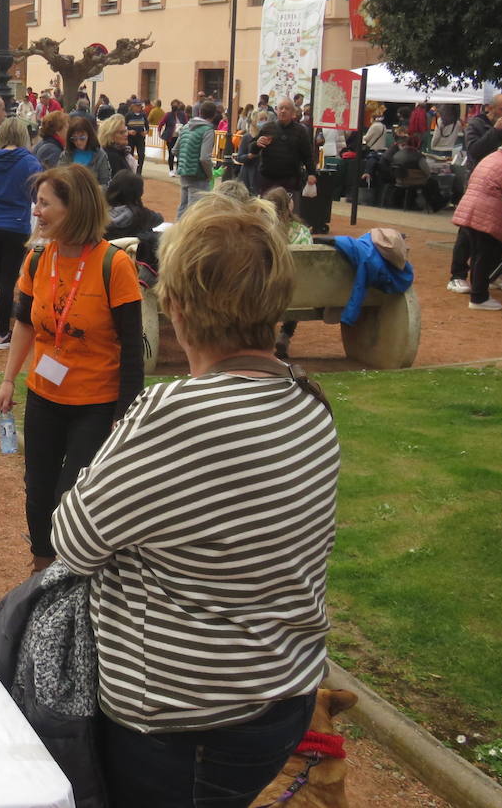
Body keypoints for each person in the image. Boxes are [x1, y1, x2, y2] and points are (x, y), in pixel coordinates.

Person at [52, 193, 340, 808]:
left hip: (185, 717)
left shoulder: (176, 413)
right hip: (277, 691)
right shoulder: (309, 402)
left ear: (176, 306)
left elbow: (73, 541)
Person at [0, 164, 145, 571]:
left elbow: (132, 348)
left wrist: (123, 415)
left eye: (45, 203)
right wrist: (8, 379)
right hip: (44, 393)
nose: (36, 212)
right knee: (38, 491)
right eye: (36, 202)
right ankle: (41, 571)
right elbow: (24, 323)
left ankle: (71, 571)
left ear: (74, 208)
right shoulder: (38, 258)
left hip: (96, 402)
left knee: (71, 494)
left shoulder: (115, 265)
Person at [0, 117, 42, 348]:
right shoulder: (30, 163)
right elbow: (37, 196)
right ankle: (2, 333)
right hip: (15, 225)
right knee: (7, 281)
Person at [453, 130, 502, 311]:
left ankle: (480, 292)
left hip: (471, 209)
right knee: (484, 256)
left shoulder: (490, 158)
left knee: (479, 255)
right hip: (488, 214)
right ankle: (479, 297)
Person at [448, 94, 502, 293]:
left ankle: (495, 273)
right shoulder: (476, 125)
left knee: (498, 229)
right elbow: (475, 150)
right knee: (468, 230)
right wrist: (495, 131)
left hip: (500, 183)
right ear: (490, 108)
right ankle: (457, 275)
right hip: (477, 182)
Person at [261, 186, 311, 360]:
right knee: (296, 285)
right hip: (297, 293)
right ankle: (285, 334)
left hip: (265, 292)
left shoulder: (260, 230)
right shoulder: (302, 230)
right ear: (289, 206)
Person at [255, 97, 317, 196]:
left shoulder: (300, 131)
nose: (283, 111)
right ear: (276, 110)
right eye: (281, 108)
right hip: (267, 179)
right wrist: (256, 144)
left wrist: (311, 173)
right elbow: (252, 150)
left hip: (290, 180)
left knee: (288, 209)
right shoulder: (267, 128)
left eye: (287, 108)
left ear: (293, 112)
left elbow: (308, 155)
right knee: (267, 209)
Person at [104, 170, 163, 274]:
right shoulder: (141, 214)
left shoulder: (99, 212)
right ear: (138, 193)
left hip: (104, 261)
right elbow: (159, 218)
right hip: (131, 264)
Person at [173, 101, 218, 218]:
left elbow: (175, 150)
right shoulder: (208, 130)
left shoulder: (186, 127)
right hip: (199, 175)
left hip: (185, 172)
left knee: (183, 207)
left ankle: (178, 232)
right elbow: (204, 158)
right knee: (196, 212)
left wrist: (185, 161)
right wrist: (210, 174)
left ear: (199, 112)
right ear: (214, 115)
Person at [65, 115, 112, 190]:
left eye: (82, 138)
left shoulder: (100, 155)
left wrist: (90, 191)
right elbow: (59, 178)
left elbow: (106, 184)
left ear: (89, 136)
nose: (78, 142)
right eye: (74, 139)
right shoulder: (66, 154)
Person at [97, 114, 134, 179]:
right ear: (110, 136)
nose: (126, 134)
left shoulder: (120, 152)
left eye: (125, 131)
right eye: (121, 132)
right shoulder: (112, 156)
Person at [124, 99, 149, 172]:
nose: (138, 107)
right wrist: (129, 131)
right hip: (130, 138)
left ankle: (139, 171)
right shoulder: (128, 115)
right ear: (133, 106)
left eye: (140, 106)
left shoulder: (143, 115)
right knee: (130, 154)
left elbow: (147, 126)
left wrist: (145, 132)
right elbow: (124, 126)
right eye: (137, 106)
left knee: (141, 154)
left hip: (140, 137)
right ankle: (130, 170)